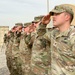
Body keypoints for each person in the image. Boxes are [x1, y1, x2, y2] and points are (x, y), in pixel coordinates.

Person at [39, 4, 75, 75]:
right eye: (53, 14)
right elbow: (41, 36)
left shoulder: (73, 36)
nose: (53, 17)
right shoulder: (54, 34)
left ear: (67, 17)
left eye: (57, 14)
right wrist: (43, 24)